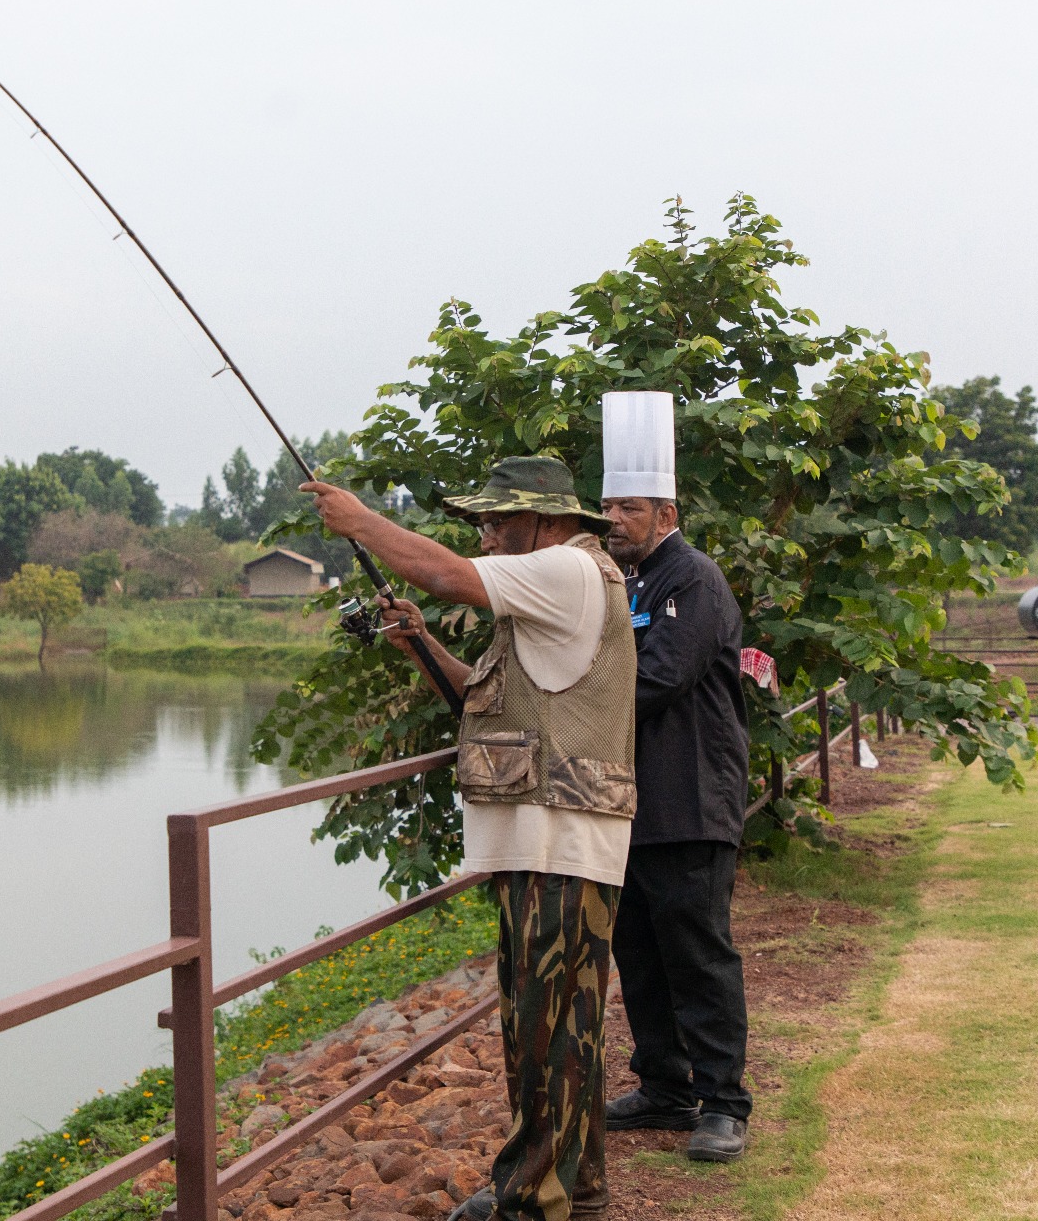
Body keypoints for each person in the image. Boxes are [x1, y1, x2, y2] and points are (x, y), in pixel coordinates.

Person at [305, 456, 636, 1221]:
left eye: (495, 519)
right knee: (563, 1030)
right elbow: (479, 702)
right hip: (553, 844)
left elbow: (446, 575)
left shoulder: (566, 568)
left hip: (557, 844)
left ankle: (530, 1203)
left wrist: (360, 522)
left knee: (543, 1035)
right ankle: (578, 1189)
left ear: (544, 521)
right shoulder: (550, 594)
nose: (483, 533)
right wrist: (419, 642)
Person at [599, 488, 753, 1162]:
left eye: (628, 508)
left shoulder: (693, 577)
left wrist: (568, 712)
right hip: (630, 803)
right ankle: (664, 1087)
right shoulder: (626, 580)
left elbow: (659, 678)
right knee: (638, 952)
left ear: (667, 515)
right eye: (606, 506)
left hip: (690, 801)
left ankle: (723, 1104)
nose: (612, 519)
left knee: (698, 957)